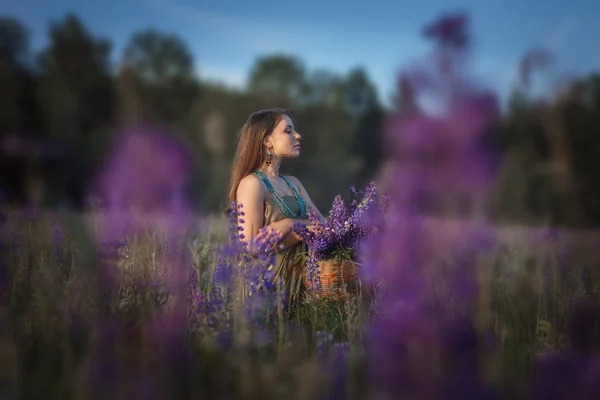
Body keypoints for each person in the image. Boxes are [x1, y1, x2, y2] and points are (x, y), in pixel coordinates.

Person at [227, 108, 324, 301]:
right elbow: (250, 247)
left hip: (302, 290)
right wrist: (299, 230)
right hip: (265, 293)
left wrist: (290, 225)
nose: (298, 135)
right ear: (267, 140)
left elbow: (324, 226)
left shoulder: (294, 183)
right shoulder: (253, 184)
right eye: (288, 130)